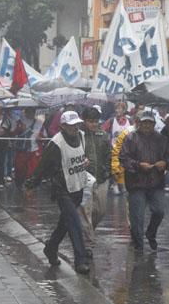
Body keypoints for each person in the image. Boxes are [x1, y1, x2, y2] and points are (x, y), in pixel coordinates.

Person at [25, 111, 91, 274]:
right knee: (74, 222)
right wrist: (31, 185)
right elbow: (42, 166)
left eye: (76, 124)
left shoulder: (82, 136)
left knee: (65, 223)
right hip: (62, 189)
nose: (75, 127)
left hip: (78, 186)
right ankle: (80, 260)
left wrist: (86, 161)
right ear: (62, 126)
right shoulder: (56, 143)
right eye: (71, 125)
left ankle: (51, 247)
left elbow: (82, 155)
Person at [119, 110, 169, 254]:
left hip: (156, 182)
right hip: (136, 183)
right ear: (139, 123)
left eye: (150, 122)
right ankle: (139, 245)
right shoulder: (130, 138)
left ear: (154, 124)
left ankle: (151, 233)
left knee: (159, 211)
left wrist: (164, 163)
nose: (147, 125)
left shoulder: (161, 139)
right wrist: (138, 165)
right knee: (137, 216)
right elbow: (123, 158)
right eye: (144, 122)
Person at [79, 107, 111, 258]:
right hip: (84, 180)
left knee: (100, 210)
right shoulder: (78, 136)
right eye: (90, 121)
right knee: (86, 212)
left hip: (101, 179)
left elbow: (109, 155)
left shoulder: (104, 136)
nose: (93, 124)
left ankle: (89, 231)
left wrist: (107, 170)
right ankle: (88, 245)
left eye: (95, 121)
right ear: (84, 121)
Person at [12, 108, 45, 188]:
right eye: (29, 112)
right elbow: (12, 134)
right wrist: (19, 129)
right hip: (21, 150)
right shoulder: (19, 122)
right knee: (20, 169)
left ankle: (30, 186)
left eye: (32, 112)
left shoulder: (39, 123)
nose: (31, 113)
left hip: (34, 149)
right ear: (26, 112)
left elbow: (44, 135)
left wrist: (40, 136)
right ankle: (20, 185)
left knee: (32, 169)